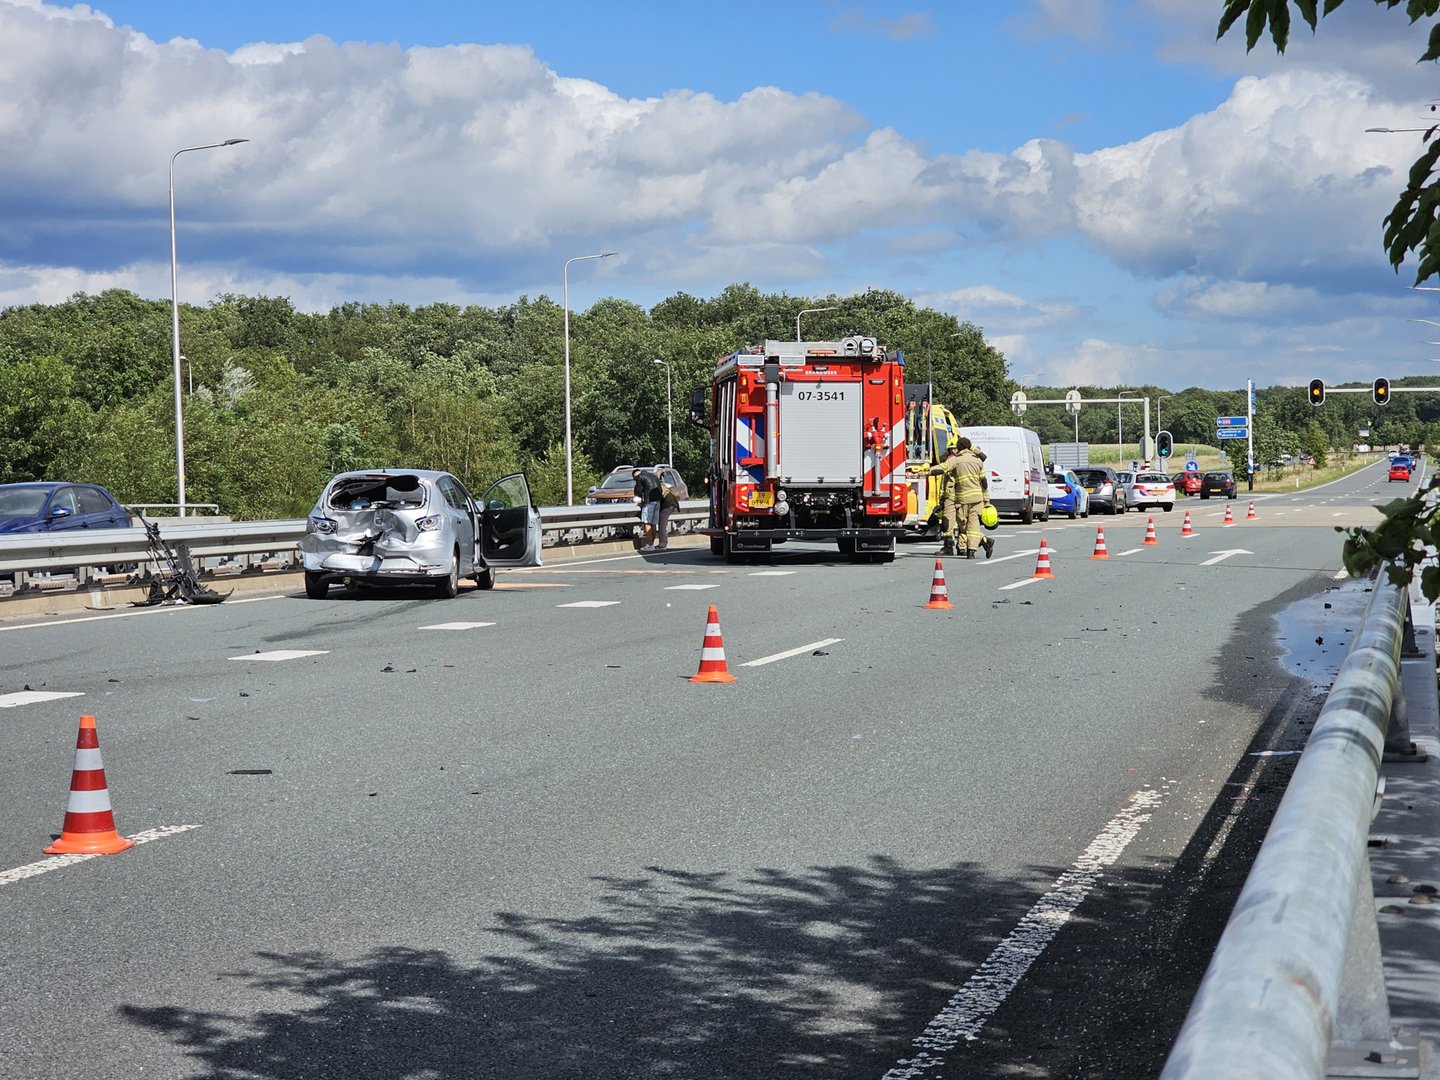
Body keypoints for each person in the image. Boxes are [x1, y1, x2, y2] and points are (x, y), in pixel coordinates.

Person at [631, 467, 662, 551]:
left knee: (647, 523)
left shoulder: (640, 477)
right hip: (658, 501)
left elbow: (638, 491)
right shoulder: (653, 476)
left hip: (649, 502)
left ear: (635, 476)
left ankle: (649, 544)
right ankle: (652, 544)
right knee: (653, 523)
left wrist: (638, 499)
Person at [656, 474, 681, 549]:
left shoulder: (656, 487)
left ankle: (663, 543)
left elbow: (658, 499)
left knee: (662, 524)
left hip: (667, 505)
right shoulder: (663, 486)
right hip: (672, 504)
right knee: (662, 524)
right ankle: (663, 543)